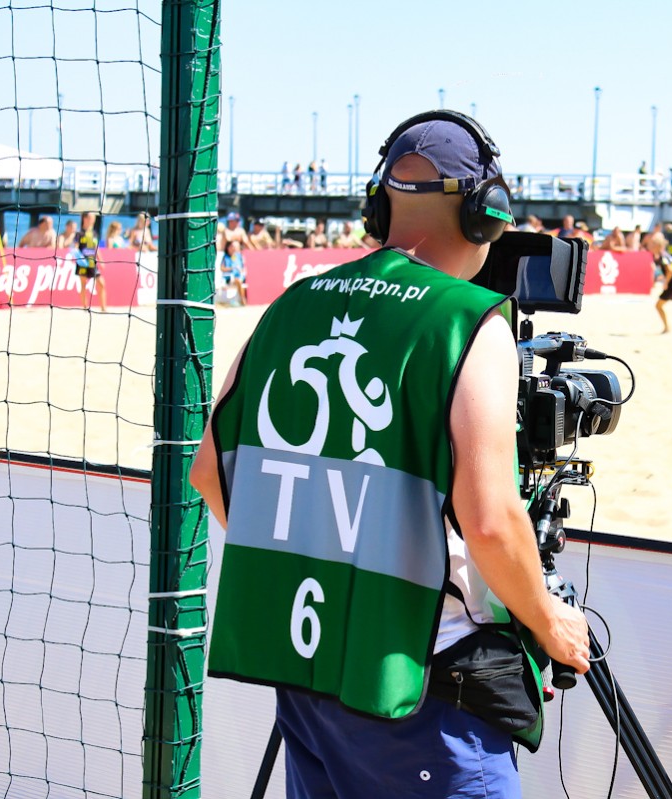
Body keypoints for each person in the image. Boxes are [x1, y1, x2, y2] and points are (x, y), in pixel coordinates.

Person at [189, 111, 590, 798]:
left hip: (311, 675)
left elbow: (208, 472)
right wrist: (549, 622)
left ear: (379, 208)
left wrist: (330, 557)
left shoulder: (291, 304)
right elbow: (490, 521)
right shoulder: (467, 318)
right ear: (486, 215)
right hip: (422, 685)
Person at [74, 212, 106, 312]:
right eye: (91, 218)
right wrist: (78, 259)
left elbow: (96, 248)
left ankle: (103, 308)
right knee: (83, 284)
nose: (93, 220)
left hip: (92, 262)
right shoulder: (79, 233)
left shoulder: (94, 233)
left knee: (101, 283)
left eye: (94, 218)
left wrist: (101, 260)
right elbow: (75, 248)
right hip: (83, 262)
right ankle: (85, 306)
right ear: (85, 219)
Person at [217, 239, 247, 304]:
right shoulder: (225, 257)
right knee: (238, 281)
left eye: (234, 247)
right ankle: (243, 300)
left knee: (239, 280)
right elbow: (222, 268)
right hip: (229, 278)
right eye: (232, 246)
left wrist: (241, 271)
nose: (233, 248)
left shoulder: (238, 256)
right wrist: (232, 268)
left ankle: (242, 300)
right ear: (228, 247)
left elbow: (242, 268)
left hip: (239, 277)